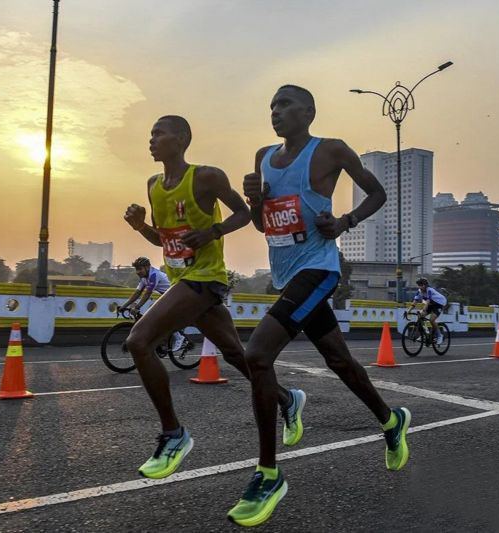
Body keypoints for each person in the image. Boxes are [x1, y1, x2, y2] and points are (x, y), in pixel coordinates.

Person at [227, 85, 411, 527]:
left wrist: (344, 222)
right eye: (270, 106)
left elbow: (377, 193)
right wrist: (255, 198)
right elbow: (262, 224)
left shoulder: (330, 150)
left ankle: (268, 474)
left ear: (308, 111)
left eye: (284, 105)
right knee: (340, 361)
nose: (275, 113)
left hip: (320, 268)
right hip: (287, 274)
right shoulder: (263, 156)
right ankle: (391, 421)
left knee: (256, 354)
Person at [123, 115, 300, 480]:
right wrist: (141, 226)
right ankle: (286, 398)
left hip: (205, 279)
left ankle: (174, 435)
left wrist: (212, 232)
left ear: (182, 138)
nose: (152, 139)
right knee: (237, 355)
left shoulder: (206, 177)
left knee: (139, 341)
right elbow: (164, 240)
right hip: (182, 279)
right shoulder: (154, 185)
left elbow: (246, 212)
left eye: (159, 133)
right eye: (151, 132)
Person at [118, 256, 186, 351]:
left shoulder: (154, 275)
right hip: (167, 295)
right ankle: (162, 341)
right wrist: (124, 306)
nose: (138, 272)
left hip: (177, 294)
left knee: (160, 315)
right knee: (155, 317)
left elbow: (147, 293)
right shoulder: (144, 278)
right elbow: (137, 293)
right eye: (136, 269)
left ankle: (179, 338)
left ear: (147, 267)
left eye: (140, 269)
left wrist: (137, 306)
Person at [407, 277, 447, 345]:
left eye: (421, 285)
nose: (420, 286)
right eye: (419, 285)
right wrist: (408, 311)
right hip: (431, 304)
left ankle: (440, 335)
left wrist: (423, 310)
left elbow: (427, 302)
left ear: (425, 285)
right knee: (420, 316)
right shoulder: (419, 291)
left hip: (439, 304)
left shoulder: (429, 290)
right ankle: (424, 335)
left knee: (431, 320)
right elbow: (414, 302)